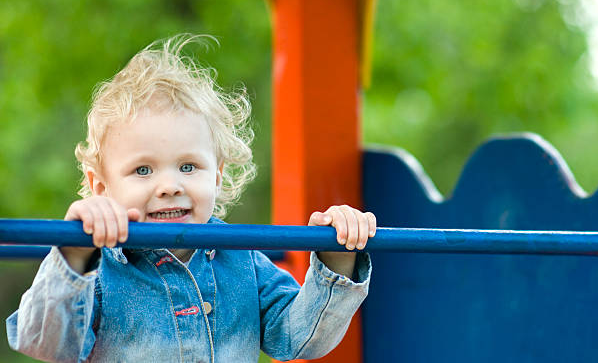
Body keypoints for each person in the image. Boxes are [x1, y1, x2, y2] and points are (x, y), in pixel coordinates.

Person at [6, 35, 376, 362]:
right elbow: (46, 344)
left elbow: (298, 339)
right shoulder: (101, 269)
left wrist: (337, 259)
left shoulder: (242, 260)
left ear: (216, 176)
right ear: (101, 187)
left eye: (188, 167)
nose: (169, 186)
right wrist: (73, 255)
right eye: (143, 170)